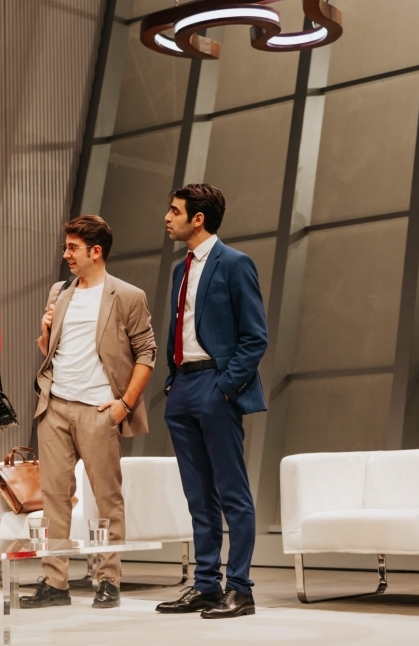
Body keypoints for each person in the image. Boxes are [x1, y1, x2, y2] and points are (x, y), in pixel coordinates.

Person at [20, 215, 156, 610]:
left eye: (73, 248)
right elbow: (52, 350)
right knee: (54, 498)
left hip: (99, 409)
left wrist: (123, 405)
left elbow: (146, 353)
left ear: (96, 252)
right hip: (55, 407)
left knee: (106, 499)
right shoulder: (60, 291)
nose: (66, 254)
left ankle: (108, 580)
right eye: (66, 246)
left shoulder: (127, 295)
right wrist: (45, 331)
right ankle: (54, 583)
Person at [155, 183, 268, 619]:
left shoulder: (235, 264)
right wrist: (173, 382)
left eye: (174, 210)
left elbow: (255, 337)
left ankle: (239, 588)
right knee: (198, 495)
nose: (167, 217)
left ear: (197, 218)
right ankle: (206, 584)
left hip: (215, 386)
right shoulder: (180, 270)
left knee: (232, 493)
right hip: (183, 387)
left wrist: (225, 387)